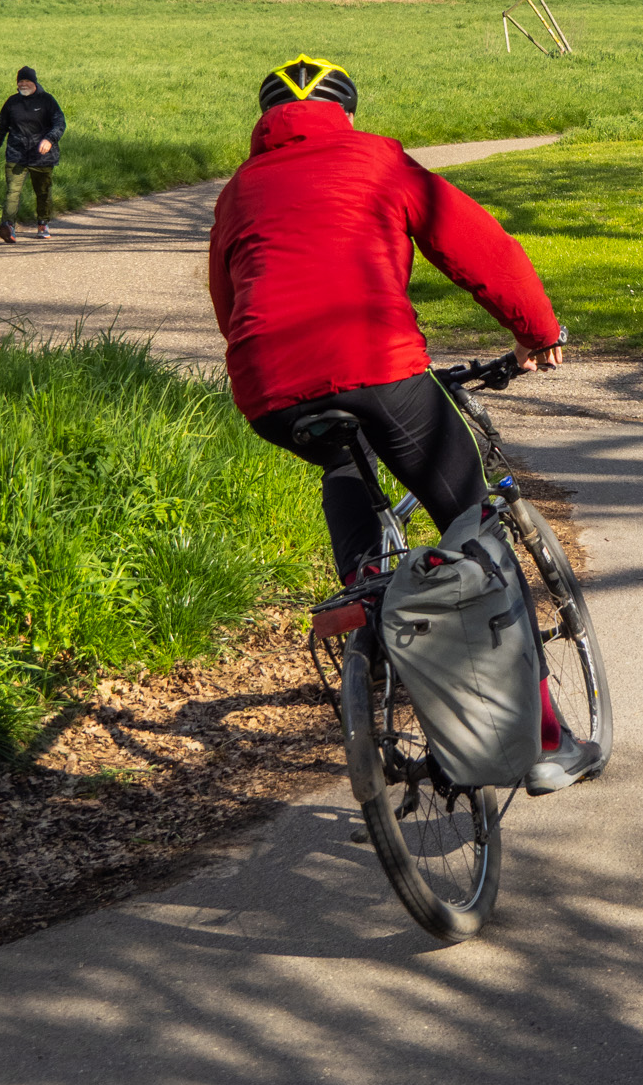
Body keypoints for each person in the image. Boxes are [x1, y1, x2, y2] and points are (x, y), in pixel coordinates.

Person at [208, 54, 598, 795]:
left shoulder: (240, 189)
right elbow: (479, 248)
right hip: (376, 364)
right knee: (475, 530)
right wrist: (537, 331)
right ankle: (546, 740)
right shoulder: (377, 159)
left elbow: (230, 305)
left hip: (268, 389)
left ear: (265, 123)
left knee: (342, 461)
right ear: (347, 113)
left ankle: (368, 601)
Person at [0, 65, 65, 243]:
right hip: (17, 154)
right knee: (12, 192)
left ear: (34, 82)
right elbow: (1, 128)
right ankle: (8, 226)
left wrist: (49, 139)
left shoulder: (47, 100)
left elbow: (60, 123)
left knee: (43, 192)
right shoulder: (12, 102)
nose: (23, 84)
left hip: (42, 156)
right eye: (20, 81)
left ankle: (43, 223)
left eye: (26, 81)